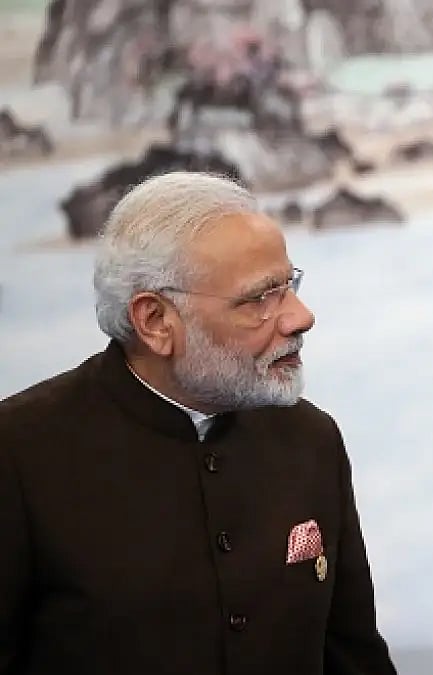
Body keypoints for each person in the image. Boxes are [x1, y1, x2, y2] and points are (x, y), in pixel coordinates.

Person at [0, 172, 396, 674]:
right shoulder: (18, 453)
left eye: (289, 285)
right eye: (260, 298)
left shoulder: (311, 440)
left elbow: (354, 657)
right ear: (155, 321)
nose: (301, 316)